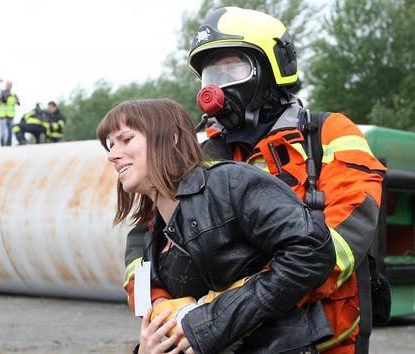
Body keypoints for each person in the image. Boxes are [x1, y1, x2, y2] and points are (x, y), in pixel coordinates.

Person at [122, 7, 387, 354]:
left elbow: (339, 244)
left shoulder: (327, 135)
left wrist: (229, 306)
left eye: (231, 68)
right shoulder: (196, 156)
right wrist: (158, 309)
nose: (214, 88)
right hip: (216, 342)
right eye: (209, 75)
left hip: (321, 342)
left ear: (274, 68)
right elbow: (143, 247)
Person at [97, 98, 336, 353]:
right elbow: (179, 328)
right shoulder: (152, 234)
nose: (112, 155)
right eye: (111, 146)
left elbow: (312, 251)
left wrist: (212, 322)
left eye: (126, 139)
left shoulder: (229, 182)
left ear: (171, 138)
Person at [0, 80, 20, 146]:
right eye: (8, 85)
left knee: (10, 132)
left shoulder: (13, 94)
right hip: (2, 116)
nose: (9, 86)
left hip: (10, 116)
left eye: (10, 85)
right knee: (2, 132)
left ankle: (9, 145)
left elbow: (18, 103)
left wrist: (16, 99)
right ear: (6, 85)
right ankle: (2, 145)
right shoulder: (0, 93)